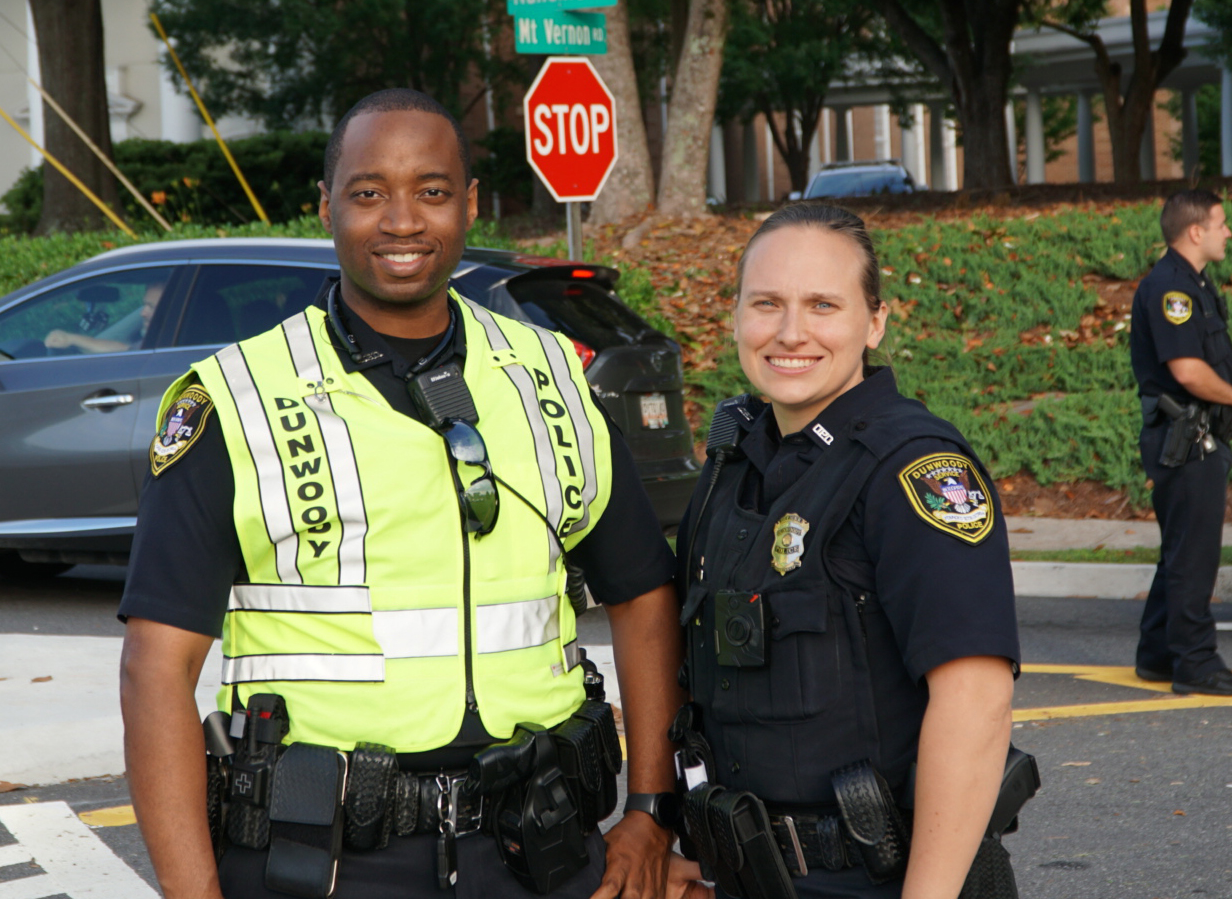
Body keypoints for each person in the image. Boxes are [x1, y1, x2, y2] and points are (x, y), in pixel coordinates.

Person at [119, 89, 683, 899]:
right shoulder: (235, 401)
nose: (403, 221)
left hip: (540, 851)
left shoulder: (551, 376)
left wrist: (651, 808)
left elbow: (644, 594)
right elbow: (154, 671)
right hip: (326, 862)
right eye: (368, 192)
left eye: (431, 190)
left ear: (470, 204)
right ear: (326, 208)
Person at [668, 204, 1020, 899]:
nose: (790, 332)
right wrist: (701, 851)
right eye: (766, 303)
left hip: (881, 879)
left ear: (876, 320)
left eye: (822, 305)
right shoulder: (732, 463)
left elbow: (975, 700)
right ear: (736, 315)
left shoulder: (914, 468)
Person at [1130, 189, 1232, 696]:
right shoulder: (1173, 290)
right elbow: (1189, 372)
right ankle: (1194, 661)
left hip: (1198, 435)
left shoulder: (1194, 283)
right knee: (1195, 556)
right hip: (1186, 439)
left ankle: (1156, 654)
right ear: (1196, 231)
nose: (1227, 232)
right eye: (1221, 223)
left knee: (1181, 551)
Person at [44, 280, 164, 353]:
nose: (142, 313)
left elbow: (125, 351)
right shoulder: (167, 339)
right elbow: (124, 350)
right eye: (144, 305)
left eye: (152, 307)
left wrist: (71, 339)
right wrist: (71, 339)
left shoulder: (168, 343)